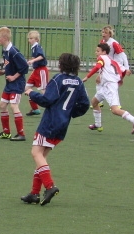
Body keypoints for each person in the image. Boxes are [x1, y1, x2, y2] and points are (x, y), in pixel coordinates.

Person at [20, 53, 90, 205]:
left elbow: (47, 100)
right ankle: (34, 193)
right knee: (42, 158)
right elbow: (85, 104)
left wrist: (32, 93)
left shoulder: (58, 79)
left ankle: (50, 186)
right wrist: (69, 113)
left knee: (36, 153)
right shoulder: (78, 82)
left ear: (61, 65)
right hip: (63, 124)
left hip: (50, 122)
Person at [82, 42, 134, 134]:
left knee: (115, 110)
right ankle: (98, 124)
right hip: (106, 86)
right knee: (94, 102)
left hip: (109, 87)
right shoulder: (112, 61)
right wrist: (120, 80)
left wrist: (87, 76)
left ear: (104, 52)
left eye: (98, 51)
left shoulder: (101, 58)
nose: (96, 53)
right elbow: (121, 71)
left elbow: (97, 66)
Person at [0, 26, 29, 141]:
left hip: (17, 83)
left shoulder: (14, 51)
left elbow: (25, 67)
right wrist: (3, 72)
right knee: (2, 105)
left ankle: (21, 134)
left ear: (5, 38)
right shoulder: (5, 50)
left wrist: (14, 76)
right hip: (9, 84)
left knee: (14, 106)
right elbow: (10, 66)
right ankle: (6, 132)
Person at [24, 30, 48, 116]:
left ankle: (52, 106)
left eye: (31, 38)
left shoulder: (38, 47)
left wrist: (33, 60)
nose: (29, 40)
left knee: (43, 90)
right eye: (29, 38)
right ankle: (35, 109)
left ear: (37, 39)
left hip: (41, 70)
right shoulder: (33, 47)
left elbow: (42, 56)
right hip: (36, 71)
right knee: (27, 88)